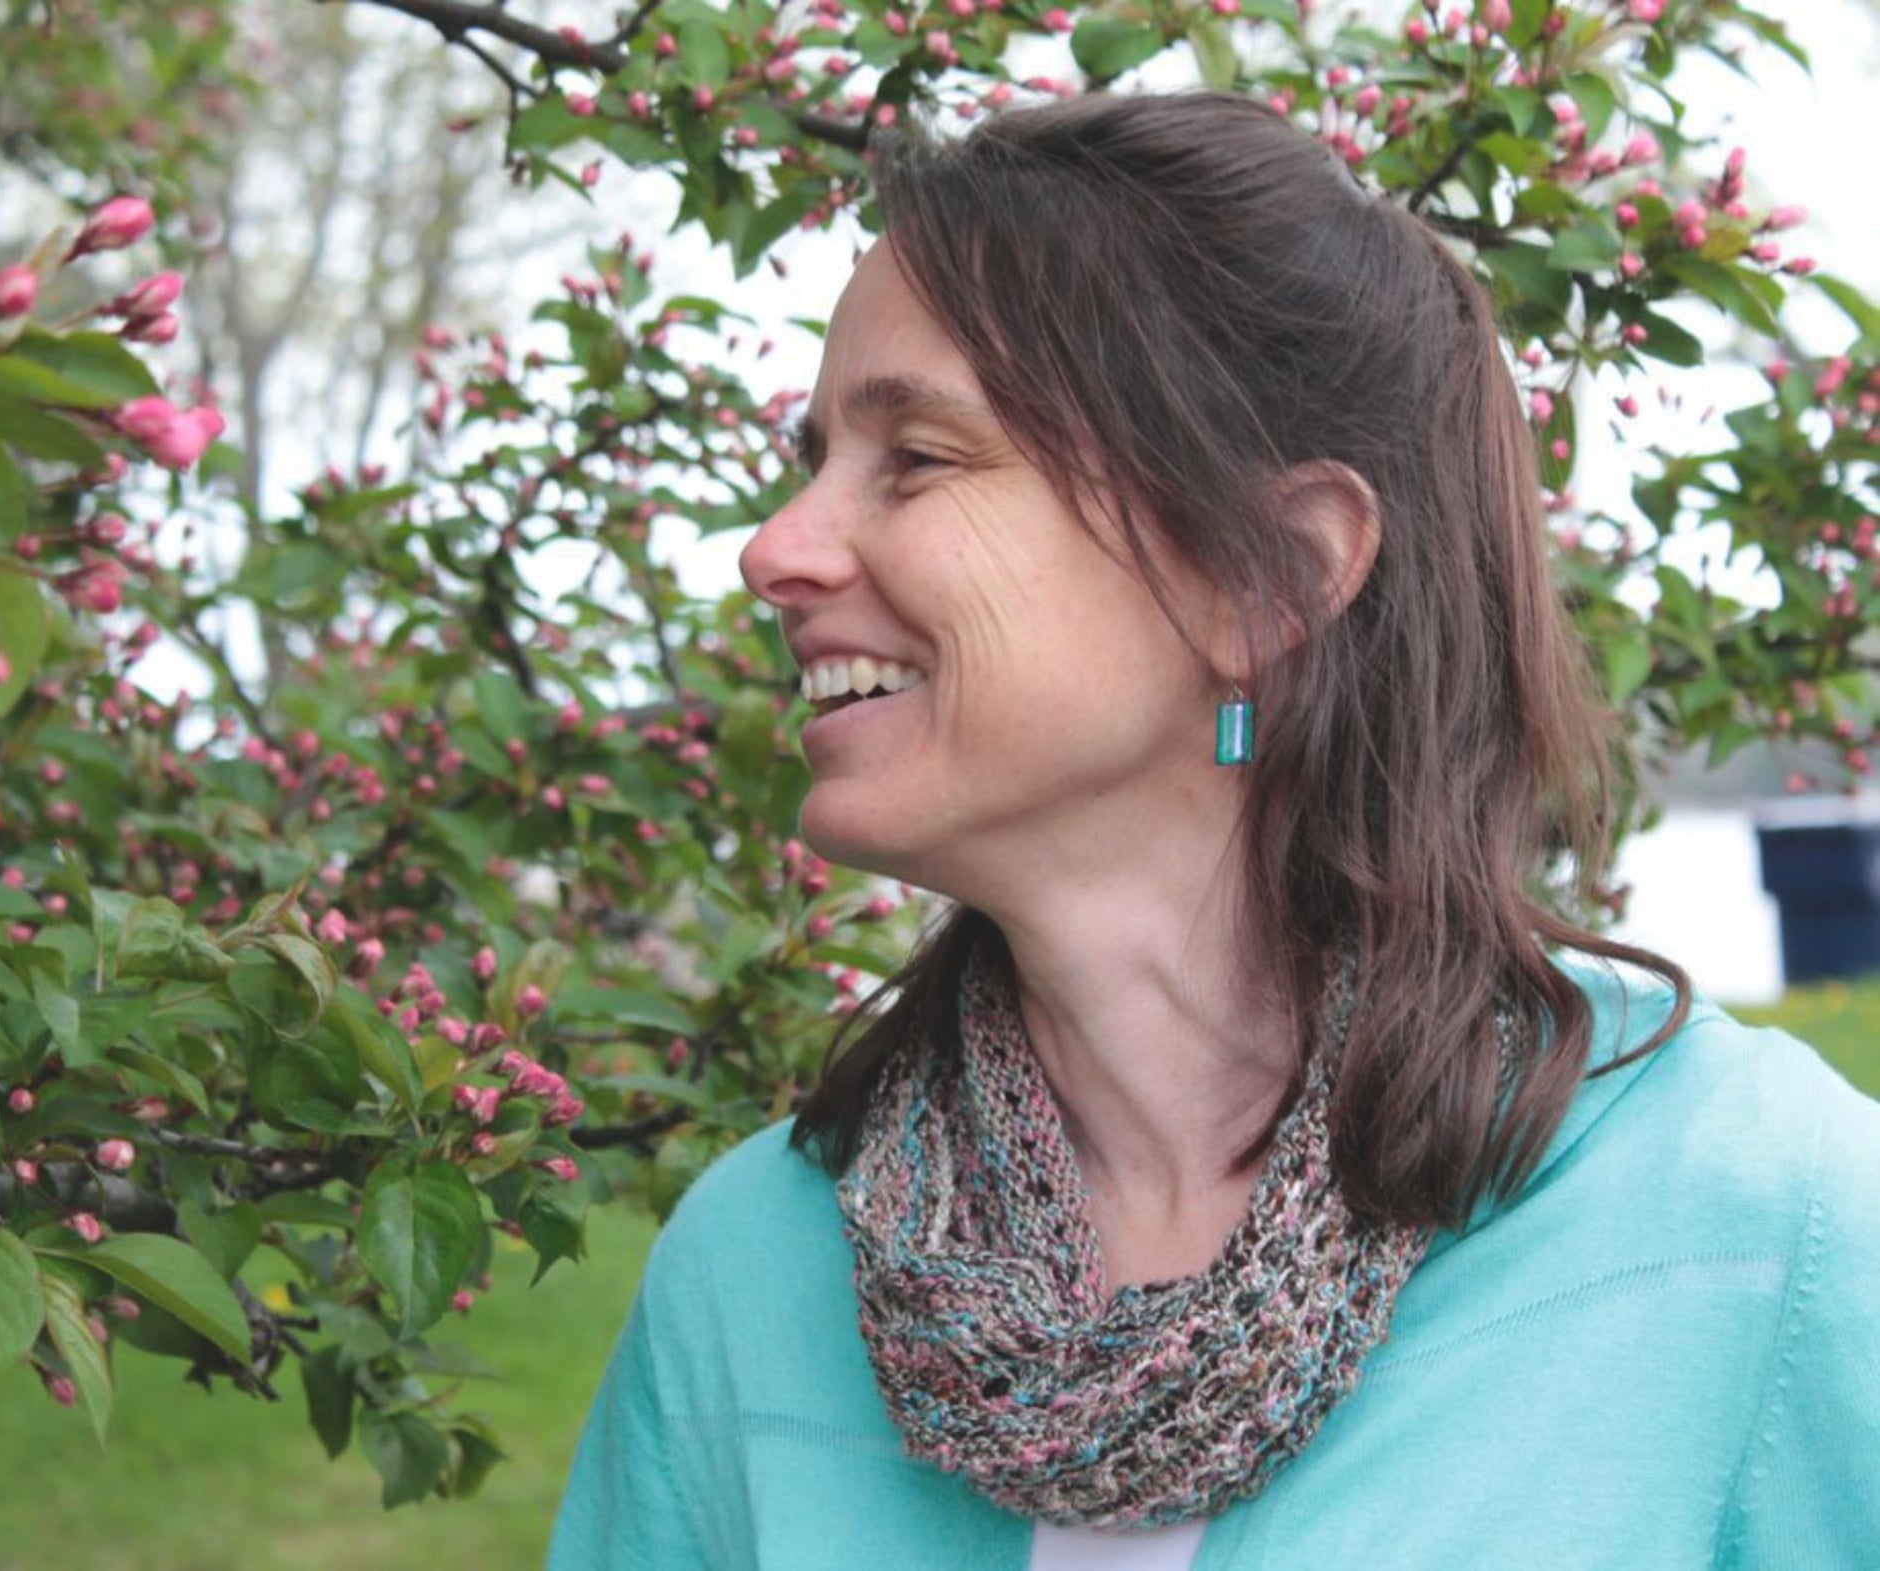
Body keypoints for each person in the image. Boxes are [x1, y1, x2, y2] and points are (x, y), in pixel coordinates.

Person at [547, 92, 1880, 1569]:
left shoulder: (1754, 1224)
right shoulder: (758, 1273)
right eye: (810, 461)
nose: (773, 548)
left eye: (915, 457)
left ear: (1270, 583)